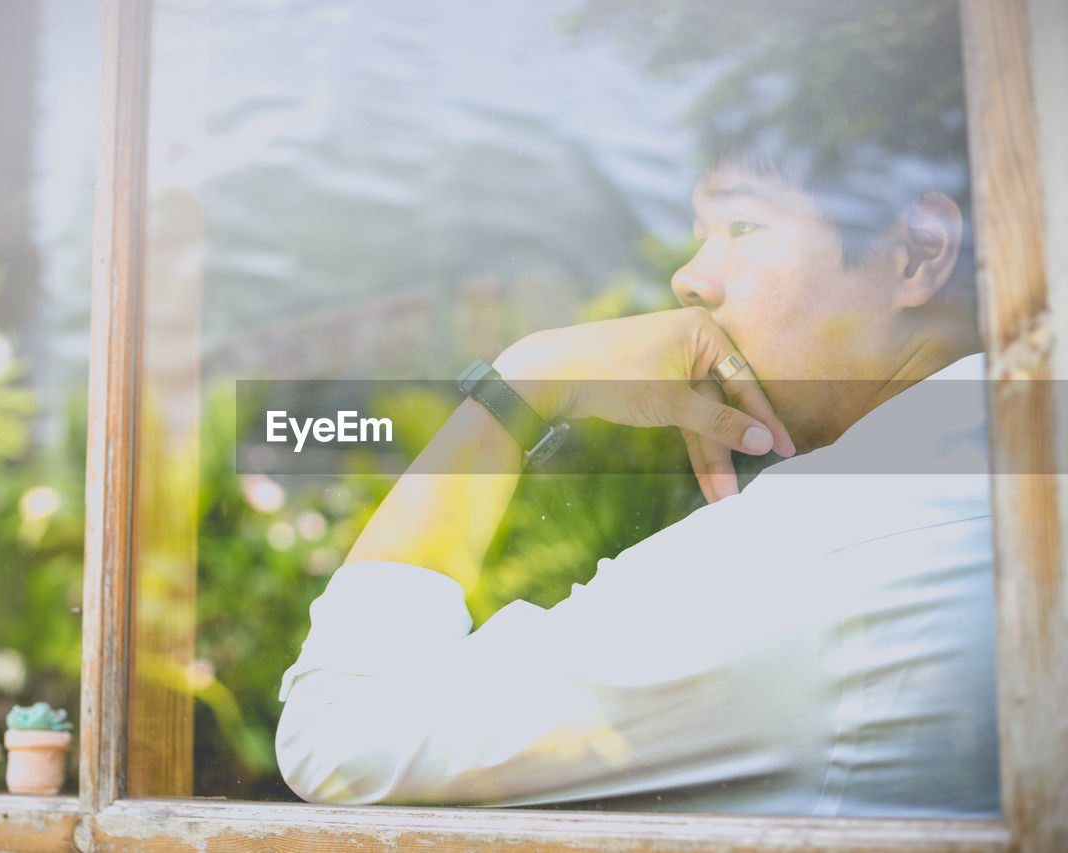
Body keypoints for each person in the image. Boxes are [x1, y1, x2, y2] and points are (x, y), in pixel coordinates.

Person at [274, 19, 997, 816]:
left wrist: (526, 380)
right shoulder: (1000, 473)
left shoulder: (810, 555)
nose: (690, 278)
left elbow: (339, 743)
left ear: (918, 251)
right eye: (699, 235)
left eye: (744, 225)